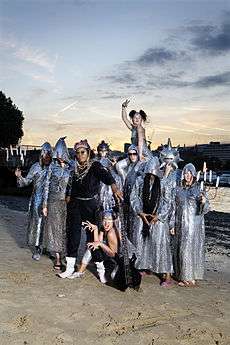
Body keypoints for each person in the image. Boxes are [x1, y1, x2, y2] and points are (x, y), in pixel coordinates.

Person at [58, 139, 123, 278]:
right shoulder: (74, 168)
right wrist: (68, 196)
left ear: (88, 153)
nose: (80, 155)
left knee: (91, 239)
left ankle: (101, 271)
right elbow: (70, 185)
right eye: (78, 153)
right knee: (73, 236)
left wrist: (115, 187)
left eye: (83, 152)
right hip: (75, 206)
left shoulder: (95, 166)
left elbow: (107, 176)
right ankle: (70, 268)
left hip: (90, 207)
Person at [130, 157, 175, 287]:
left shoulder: (163, 182)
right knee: (142, 241)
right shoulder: (139, 181)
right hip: (143, 215)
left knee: (161, 244)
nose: (151, 175)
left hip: (158, 218)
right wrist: (140, 212)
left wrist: (159, 216)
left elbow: (167, 201)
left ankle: (167, 275)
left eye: (153, 173)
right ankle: (144, 266)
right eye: (149, 173)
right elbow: (134, 197)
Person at [15, 142, 52, 260]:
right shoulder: (36, 167)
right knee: (38, 224)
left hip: (52, 200)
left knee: (50, 225)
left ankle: (48, 247)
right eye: (45, 155)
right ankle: (38, 248)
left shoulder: (54, 167)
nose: (47, 157)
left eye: (49, 155)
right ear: (41, 155)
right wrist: (19, 177)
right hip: (37, 199)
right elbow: (25, 182)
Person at [174, 163, 209, 287]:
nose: (187, 175)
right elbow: (174, 208)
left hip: (194, 226)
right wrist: (172, 225)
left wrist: (203, 202)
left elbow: (205, 209)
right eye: (185, 173)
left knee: (189, 249)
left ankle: (189, 277)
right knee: (182, 250)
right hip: (181, 225)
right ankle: (184, 275)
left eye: (189, 173)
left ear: (194, 175)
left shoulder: (199, 190)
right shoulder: (178, 189)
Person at [42, 137, 72, 270]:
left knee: (65, 229)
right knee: (54, 230)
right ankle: (58, 258)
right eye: (57, 154)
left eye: (61, 154)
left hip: (66, 203)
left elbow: (74, 186)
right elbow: (46, 187)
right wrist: (44, 205)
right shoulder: (51, 168)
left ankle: (65, 255)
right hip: (53, 202)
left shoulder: (71, 168)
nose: (59, 157)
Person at [68, 210, 120, 283]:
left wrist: (100, 244)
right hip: (110, 257)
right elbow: (97, 243)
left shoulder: (111, 233)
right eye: (104, 220)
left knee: (114, 276)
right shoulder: (103, 229)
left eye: (109, 220)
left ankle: (102, 272)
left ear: (113, 222)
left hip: (119, 261)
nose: (106, 223)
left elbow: (113, 254)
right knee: (92, 247)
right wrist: (95, 229)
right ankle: (81, 272)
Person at [116, 100, 152, 185]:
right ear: (132, 119)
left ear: (141, 119)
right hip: (135, 152)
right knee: (118, 166)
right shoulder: (133, 128)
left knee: (136, 173)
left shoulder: (140, 128)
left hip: (143, 153)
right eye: (135, 117)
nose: (136, 119)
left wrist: (140, 156)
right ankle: (125, 184)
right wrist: (123, 108)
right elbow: (124, 119)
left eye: (138, 118)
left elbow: (140, 142)